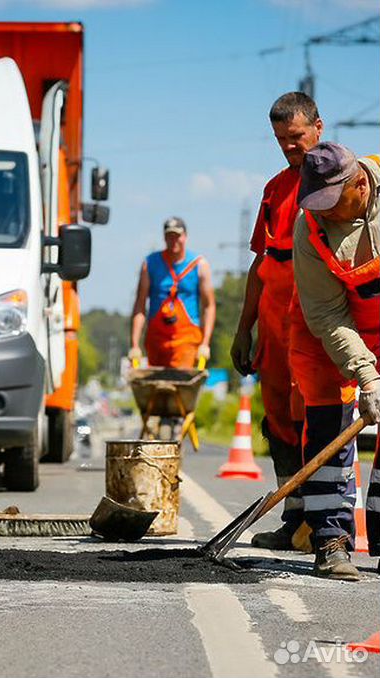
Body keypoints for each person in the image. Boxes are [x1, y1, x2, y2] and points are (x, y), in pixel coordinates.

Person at [231, 92, 323, 552]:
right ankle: (294, 519)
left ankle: (326, 524)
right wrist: (242, 327)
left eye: (296, 137)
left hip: (313, 313)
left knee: (315, 414)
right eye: (281, 140)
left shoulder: (339, 183)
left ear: (318, 128)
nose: (290, 147)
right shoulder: (273, 188)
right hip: (272, 318)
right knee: (280, 421)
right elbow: (259, 263)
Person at [290, 141, 380, 580]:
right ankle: (331, 540)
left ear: (360, 186)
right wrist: (367, 374)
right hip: (328, 327)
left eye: (331, 204)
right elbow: (326, 315)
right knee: (328, 421)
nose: (322, 214)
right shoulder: (309, 231)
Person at [130, 217, 215, 369]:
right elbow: (140, 305)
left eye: (178, 236)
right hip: (157, 339)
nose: (174, 240)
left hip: (186, 339)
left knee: (178, 384)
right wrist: (135, 345)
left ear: (185, 237)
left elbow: (209, 306)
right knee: (157, 386)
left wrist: (205, 343)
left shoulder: (199, 265)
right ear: (164, 237)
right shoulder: (150, 264)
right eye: (169, 236)